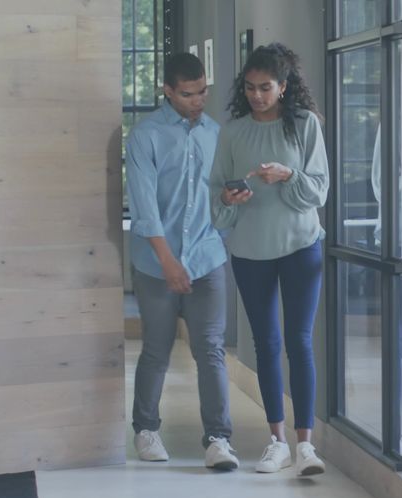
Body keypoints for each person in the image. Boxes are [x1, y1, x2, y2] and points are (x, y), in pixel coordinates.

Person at [210, 43, 329, 476]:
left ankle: (305, 446)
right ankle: (276, 442)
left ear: (283, 87)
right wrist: (229, 198)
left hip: (301, 246)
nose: (257, 95)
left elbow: (319, 191)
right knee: (267, 344)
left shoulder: (306, 125)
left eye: (265, 87)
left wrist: (288, 175)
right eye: (250, 87)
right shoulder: (233, 132)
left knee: (299, 342)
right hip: (249, 251)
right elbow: (216, 196)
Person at [125, 53, 240, 471]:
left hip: (206, 258)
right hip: (156, 263)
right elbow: (144, 208)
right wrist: (168, 261)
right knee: (156, 349)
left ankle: (218, 440)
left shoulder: (215, 135)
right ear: (168, 91)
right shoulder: (145, 136)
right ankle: (146, 429)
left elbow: (218, 198)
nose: (198, 100)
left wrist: (226, 212)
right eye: (189, 94)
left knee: (210, 350)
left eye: (202, 92)